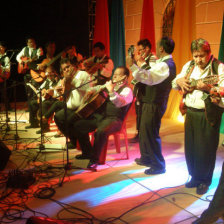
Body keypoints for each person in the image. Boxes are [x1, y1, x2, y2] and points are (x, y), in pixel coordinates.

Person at [173, 38, 224, 195]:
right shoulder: (189, 66)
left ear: (209, 53)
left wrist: (208, 89)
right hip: (191, 113)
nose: (198, 60)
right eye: (195, 56)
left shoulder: (219, 67)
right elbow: (175, 83)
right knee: (192, 148)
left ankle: (204, 180)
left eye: (201, 56)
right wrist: (179, 80)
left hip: (208, 115)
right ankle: (195, 176)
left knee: (206, 149)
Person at [126, 36, 176, 175]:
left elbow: (149, 78)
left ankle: (158, 165)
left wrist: (132, 65)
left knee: (151, 133)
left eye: (157, 46)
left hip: (155, 102)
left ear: (161, 48)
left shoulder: (166, 65)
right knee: (144, 131)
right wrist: (138, 65)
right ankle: (147, 157)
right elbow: (148, 73)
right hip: (149, 101)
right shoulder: (161, 62)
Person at [71, 66, 133, 169]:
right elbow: (94, 88)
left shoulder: (127, 90)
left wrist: (112, 91)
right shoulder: (110, 85)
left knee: (100, 131)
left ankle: (95, 160)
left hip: (115, 119)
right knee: (79, 125)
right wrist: (90, 91)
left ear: (125, 78)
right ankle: (87, 153)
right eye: (114, 74)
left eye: (118, 75)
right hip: (102, 117)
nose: (114, 76)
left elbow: (119, 103)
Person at [54, 57, 92, 146]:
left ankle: (79, 142)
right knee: (58, 117)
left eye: (68, 67)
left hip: (83, 108)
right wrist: (57, 91)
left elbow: (86, 89)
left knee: (71, 120)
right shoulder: (65, 79)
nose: (67, 70)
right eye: (64, 69)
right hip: (70, 108)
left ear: (73, 66)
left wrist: (72, 80)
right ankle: (73, 139)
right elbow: (56, 94)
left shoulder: (83, 74)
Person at [128, 38, 157, 143]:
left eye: (141, 49)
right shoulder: (143, 58)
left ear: (147, 48)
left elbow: (151, 73)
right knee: (139, 112)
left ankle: (144, 135)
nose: (139, 52)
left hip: (146, 91)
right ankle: (139, 133)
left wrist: (141, 63)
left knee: (143, 114)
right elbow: (138, 73)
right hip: (140, 90)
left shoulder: (152, 58)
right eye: (138, 50)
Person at [16, 37, 43, 103]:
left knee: (35, 89)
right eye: (29, 42)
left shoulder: (39, 49)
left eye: (32, 42)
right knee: (28, 89)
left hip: (35, 71)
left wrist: (32, 60)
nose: (31, 43)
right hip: (26, 72)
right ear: (27, 43)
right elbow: (18, 57)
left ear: (34, 42)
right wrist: (21, 61)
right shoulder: (25, 49)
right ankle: (30, 106)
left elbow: (39, 57)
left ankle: (36, 105)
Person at [0, 41, 11, 111]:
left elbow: (8, 69)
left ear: (4, 48)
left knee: (4, 93)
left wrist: (1, 67)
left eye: (1, 47)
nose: (0, 48)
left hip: (2, 77)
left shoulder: (6, 58)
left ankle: (8, 107)